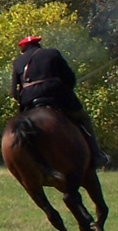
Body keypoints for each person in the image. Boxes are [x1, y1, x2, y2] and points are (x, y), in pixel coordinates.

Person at [11, 34, 110, 166]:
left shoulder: (18, 62)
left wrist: (24, 98)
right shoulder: (52, 53)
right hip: (56, 94)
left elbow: (14, 92)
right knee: (83, 118)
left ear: (23, 48)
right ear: (38, 44)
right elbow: (70, 78)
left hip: (29, 99)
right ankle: (97, 153)